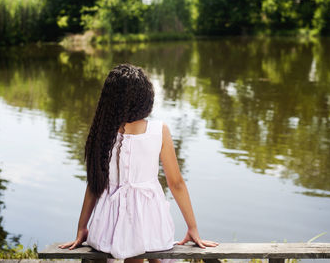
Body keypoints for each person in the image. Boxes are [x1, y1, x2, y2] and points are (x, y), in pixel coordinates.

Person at [58, 63, 219, 262]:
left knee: (134, 250)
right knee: (149, 246)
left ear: (109, 100)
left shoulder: (103, 131)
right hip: (151, 219)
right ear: (146, 97)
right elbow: (176, 183)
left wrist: (82, 228)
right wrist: (192, 227)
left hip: (108, 224)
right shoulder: (159, 130)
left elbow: (94, 184)